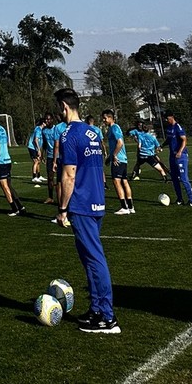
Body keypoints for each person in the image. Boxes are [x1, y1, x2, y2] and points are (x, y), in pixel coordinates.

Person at [53, 88, 120, 334]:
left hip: (81, 204)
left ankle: (107, 317)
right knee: (89, 259)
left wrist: (62, 208)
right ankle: (96, 308)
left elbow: (69, 175)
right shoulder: (92, 132)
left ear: (63, 106)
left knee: (94, 259)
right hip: (98, 201)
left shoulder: (68, 134)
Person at [0, 112, 25, 216]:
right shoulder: (2, 128)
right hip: (8, 159)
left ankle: (14, 209)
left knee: (4, 186)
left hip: (0, 161)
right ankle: (20, 206)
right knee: (8, 185)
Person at [102, 110, 134, 215]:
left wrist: (114, 155)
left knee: (116, 181)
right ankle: (130, 207)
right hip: (122, 159)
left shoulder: (114, 128)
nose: (103, 120)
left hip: (118, 160)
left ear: (110, 118)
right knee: (124, 181)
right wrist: (110, 158)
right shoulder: (115, 128)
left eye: (105, 118)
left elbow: (120, 143)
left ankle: (124, 207)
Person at [163, 111, 192, 206]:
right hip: (172, 156)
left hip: (181, 156)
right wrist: (161, 146)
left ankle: (191, 200)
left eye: (167, 118)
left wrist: (180, 151)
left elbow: (184, 140)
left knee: (183, 178)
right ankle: (180, 199)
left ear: (172, 117)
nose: (166, 120)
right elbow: (169, 140)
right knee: (174, 178)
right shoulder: (169, 128)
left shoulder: (178, 127)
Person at [41, 113, 60, 204]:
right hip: (49, 156)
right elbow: (44, 144)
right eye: (46, 119)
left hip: (59, 156)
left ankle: (62, 197)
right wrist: (42, 154)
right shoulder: (44, 131)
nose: (47, 121)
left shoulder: (57, 129)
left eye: (49, 119)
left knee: (61, 178)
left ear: (52, 119)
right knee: (50, 177)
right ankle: (50, 197)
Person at [26, 118, 46, 184]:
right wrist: (38, 150)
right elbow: (36, 140)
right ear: (43, 123)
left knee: (38, 161)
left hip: (36, 148)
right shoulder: (38, 130)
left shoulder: (40, 130)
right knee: (36, 161)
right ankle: (34, 177)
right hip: (32, 147)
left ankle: (39, 176)